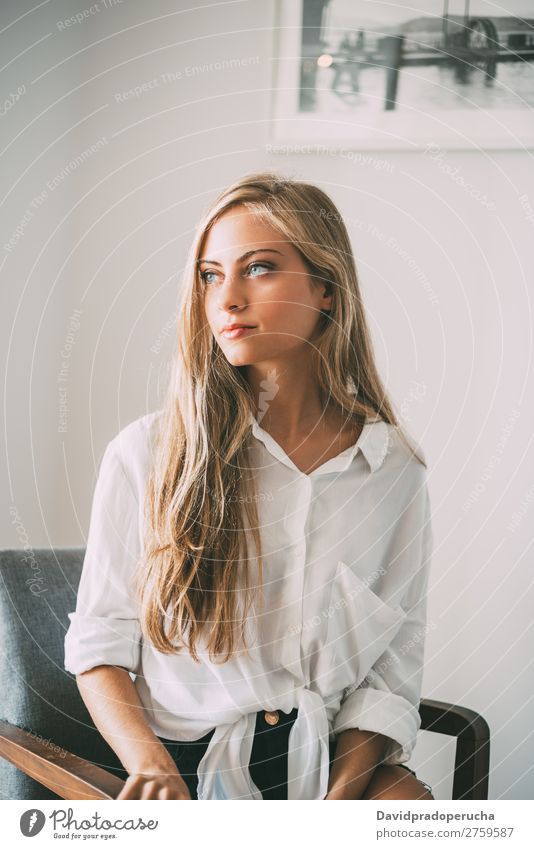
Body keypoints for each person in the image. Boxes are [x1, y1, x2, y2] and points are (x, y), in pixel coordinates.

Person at [64, 171, 434, 801]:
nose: (226, 298)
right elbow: (101, 642)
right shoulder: (147, 454)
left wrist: (337, 806)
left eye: (258, 268)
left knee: (411, 810)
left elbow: (390, 669)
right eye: (210, 275)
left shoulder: (394, 470)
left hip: (321, 767)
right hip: (182, 763)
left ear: (325, 287)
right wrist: (149, 766)